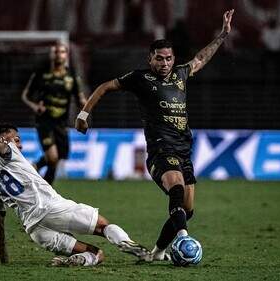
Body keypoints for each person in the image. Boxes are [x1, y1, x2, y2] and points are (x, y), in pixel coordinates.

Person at [75, 10, 234, 261]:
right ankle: (182, 236)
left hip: (184, 150)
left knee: (187, 209)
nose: (165, 64)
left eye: (169, 58)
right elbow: (106, 86)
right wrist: (84, 114)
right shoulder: (141, 78)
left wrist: (222, 35)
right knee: (177, 191)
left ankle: (157, 252)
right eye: (159, 59)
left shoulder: (181, 74)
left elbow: (201, 58)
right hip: (161, 150)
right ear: (151, 59)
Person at [0, 124, 151, 266]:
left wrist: (4, 261)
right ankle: (128, 244)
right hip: (52, 209)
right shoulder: (9, 150)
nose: (20, 145)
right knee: (103, 226)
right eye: (17, 140)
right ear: (1, 140)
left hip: (37, 231)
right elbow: (4, 149)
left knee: (97, 254)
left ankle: (79, 260)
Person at [21, 42, 87, 185]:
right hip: (44, 121)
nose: (59, 55)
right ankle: (44, 186)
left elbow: (80, 98)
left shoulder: (72, 76)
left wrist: (85, 112)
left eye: (62, 52)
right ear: (52, 55)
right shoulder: (41, 74)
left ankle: (39, 175)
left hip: (61, 123)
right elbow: (26, 95)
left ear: (66, 55)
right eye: (56, 52)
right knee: (52, 157)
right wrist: (34, 106)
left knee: (59, 157)